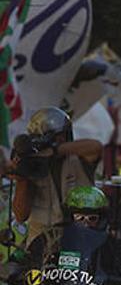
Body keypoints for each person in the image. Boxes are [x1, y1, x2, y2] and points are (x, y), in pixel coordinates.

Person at [7, 108, 102, 254]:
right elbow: (21, 215)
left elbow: (96, 147)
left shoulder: (78, 158)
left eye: (61, 136)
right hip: (41, 246)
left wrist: (54, 150)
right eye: (57, 137)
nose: (60, 140)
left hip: (80, 241)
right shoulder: (32, 165)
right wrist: (22, 179)